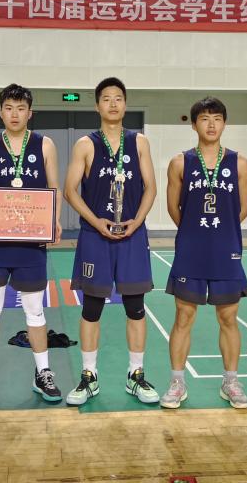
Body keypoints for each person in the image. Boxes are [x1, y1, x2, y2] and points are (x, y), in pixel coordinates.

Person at [0, 84, 63, 405]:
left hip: (31, 243)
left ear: (30, 113)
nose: (14, 114)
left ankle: (43, 372)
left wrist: (54, 221)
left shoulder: (44, 144)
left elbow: (54, 187)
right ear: (1, 111)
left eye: (21, 108)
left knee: (35, 311)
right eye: (9, 108)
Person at [63, 77, 159, 406]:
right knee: (91, 308)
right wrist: (96, 222)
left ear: (126, 104)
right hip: (95, 236)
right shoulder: (85, 145)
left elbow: (151, 187)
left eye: (118, 98)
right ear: (97, 105)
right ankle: (89, 376)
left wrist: (137, 221)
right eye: (106, 98)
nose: (113, 104)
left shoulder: (139, 142)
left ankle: (136, 375)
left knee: (135, 307)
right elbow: (69, 190)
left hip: (132, 235)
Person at [160, 97, 247, 410]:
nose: (211, 125)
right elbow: (174, 208)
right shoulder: (180, 163)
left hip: (226, 250)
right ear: (194, 124)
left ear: (225, 123)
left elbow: (244, 207)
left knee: (228, 317)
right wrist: (195, 232)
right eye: (204, 118)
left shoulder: (239, 163)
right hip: (191, 250)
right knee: (184, 316)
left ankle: (231, 382)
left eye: (217, 118)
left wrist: (222, 231)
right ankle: (177, 382)